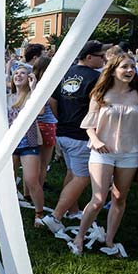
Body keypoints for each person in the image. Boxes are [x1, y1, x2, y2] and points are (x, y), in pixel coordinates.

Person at [69, 54, 138, 256]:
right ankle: (79, 237)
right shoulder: (100, 94)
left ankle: (109, 241)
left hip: (130, 153)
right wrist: (97, 140)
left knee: (119, 197)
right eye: (125, 67)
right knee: (98, 199)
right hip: (102, 152)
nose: (130, 70)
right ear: (113, 69)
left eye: (132, 67)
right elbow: (89, 125)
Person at [43, 41, 105, 234]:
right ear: (88, 57)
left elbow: (52, 100)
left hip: (62, 132)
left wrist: (60, 119)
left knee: (71, 173)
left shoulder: (65, 72)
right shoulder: (96, 78)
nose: (103, 60)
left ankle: (73, 209)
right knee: (82, 177)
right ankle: (55, 216)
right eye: (100, 56)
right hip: (81, 134)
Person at [8, 66, 44, 226]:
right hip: (9, 143)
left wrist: (34, 87)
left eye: (22, 72)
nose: (18, 75)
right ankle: (8, 209)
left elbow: (41, 111)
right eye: (16, 73)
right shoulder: (7, 97)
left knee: (31, 180)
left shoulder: (32, 96)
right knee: (8, 179)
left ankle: (39, 213)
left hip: (28, 141)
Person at [32, 57, 57, 191]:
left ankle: (29, 191)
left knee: (32, 162)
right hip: (47, 125)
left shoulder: (31, 85)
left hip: (33, 126)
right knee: (43, 164)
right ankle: (38, 189)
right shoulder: (49, 86)